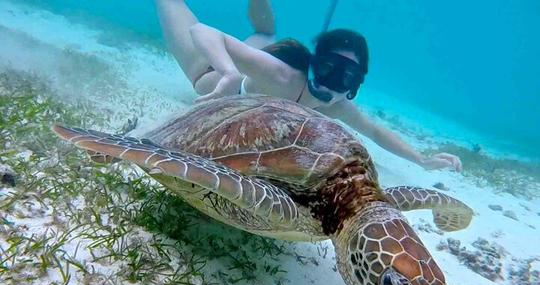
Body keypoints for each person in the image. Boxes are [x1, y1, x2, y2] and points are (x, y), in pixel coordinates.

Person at [155, 0, 462, 171]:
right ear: (315, 63)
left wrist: (422, 160)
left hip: (258, 54)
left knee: (265, 32)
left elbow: (377, 131)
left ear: (355, 85)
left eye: (345, 77)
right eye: (327, 68)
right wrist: (227, 73)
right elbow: (202, 31)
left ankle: (262, 33)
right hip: (205, 67)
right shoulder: (284, 76)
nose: (331, 83)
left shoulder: (338, 105)